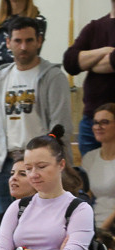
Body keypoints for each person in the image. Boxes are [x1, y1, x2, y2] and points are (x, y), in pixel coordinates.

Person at [0, 17, 73, 218]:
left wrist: (48, 161)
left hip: (39, 163)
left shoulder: (53, 76)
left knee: (44, 220)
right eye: (17, 41)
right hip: (5, 163)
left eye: (29, 40)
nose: (23, 46)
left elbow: (60, 125)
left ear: (39, 41)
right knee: (9, 223)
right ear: (8, 43)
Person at [62, 1, 115, 157]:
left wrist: (88, 63)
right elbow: (70, 62)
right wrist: (105, 51)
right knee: (90, 177)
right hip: (92, 122)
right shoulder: (94, 27)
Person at [0, 1, 47, 115]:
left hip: (21, 89)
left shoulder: (37, 21)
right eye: (17, 40)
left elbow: (25, 58)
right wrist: (9, 55)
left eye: (26, 40)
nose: (22, 45)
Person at [81, 103, 115, 230]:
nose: (98, 127)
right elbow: (85, 197)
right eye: (95, 122)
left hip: (110, 227)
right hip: (95, 223)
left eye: (104, 122)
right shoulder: (90, 158)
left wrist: (102, 231)